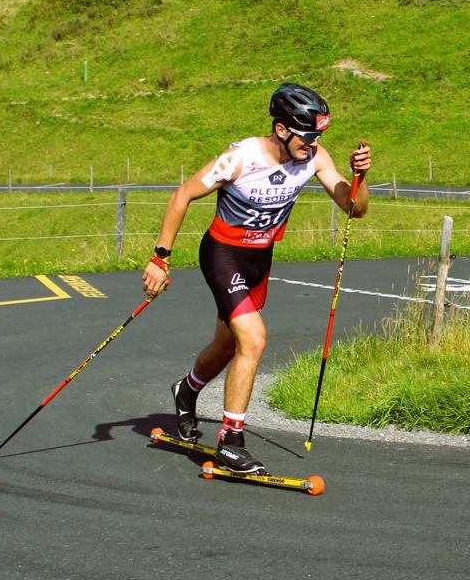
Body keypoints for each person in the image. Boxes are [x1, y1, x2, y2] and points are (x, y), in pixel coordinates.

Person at [142, 83, 371, 473]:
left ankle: (187, 389)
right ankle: (231, 440)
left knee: (227, 344)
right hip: (222, 255)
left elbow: (354, 208)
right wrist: (159, 258)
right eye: (308, 134)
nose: (314, 143)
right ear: (281, 129)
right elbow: (182, 195)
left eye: (319, 135)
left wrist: (360, 177)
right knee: (255, 339)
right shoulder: (240, 158)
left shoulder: (314, 157)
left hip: (259, 260)